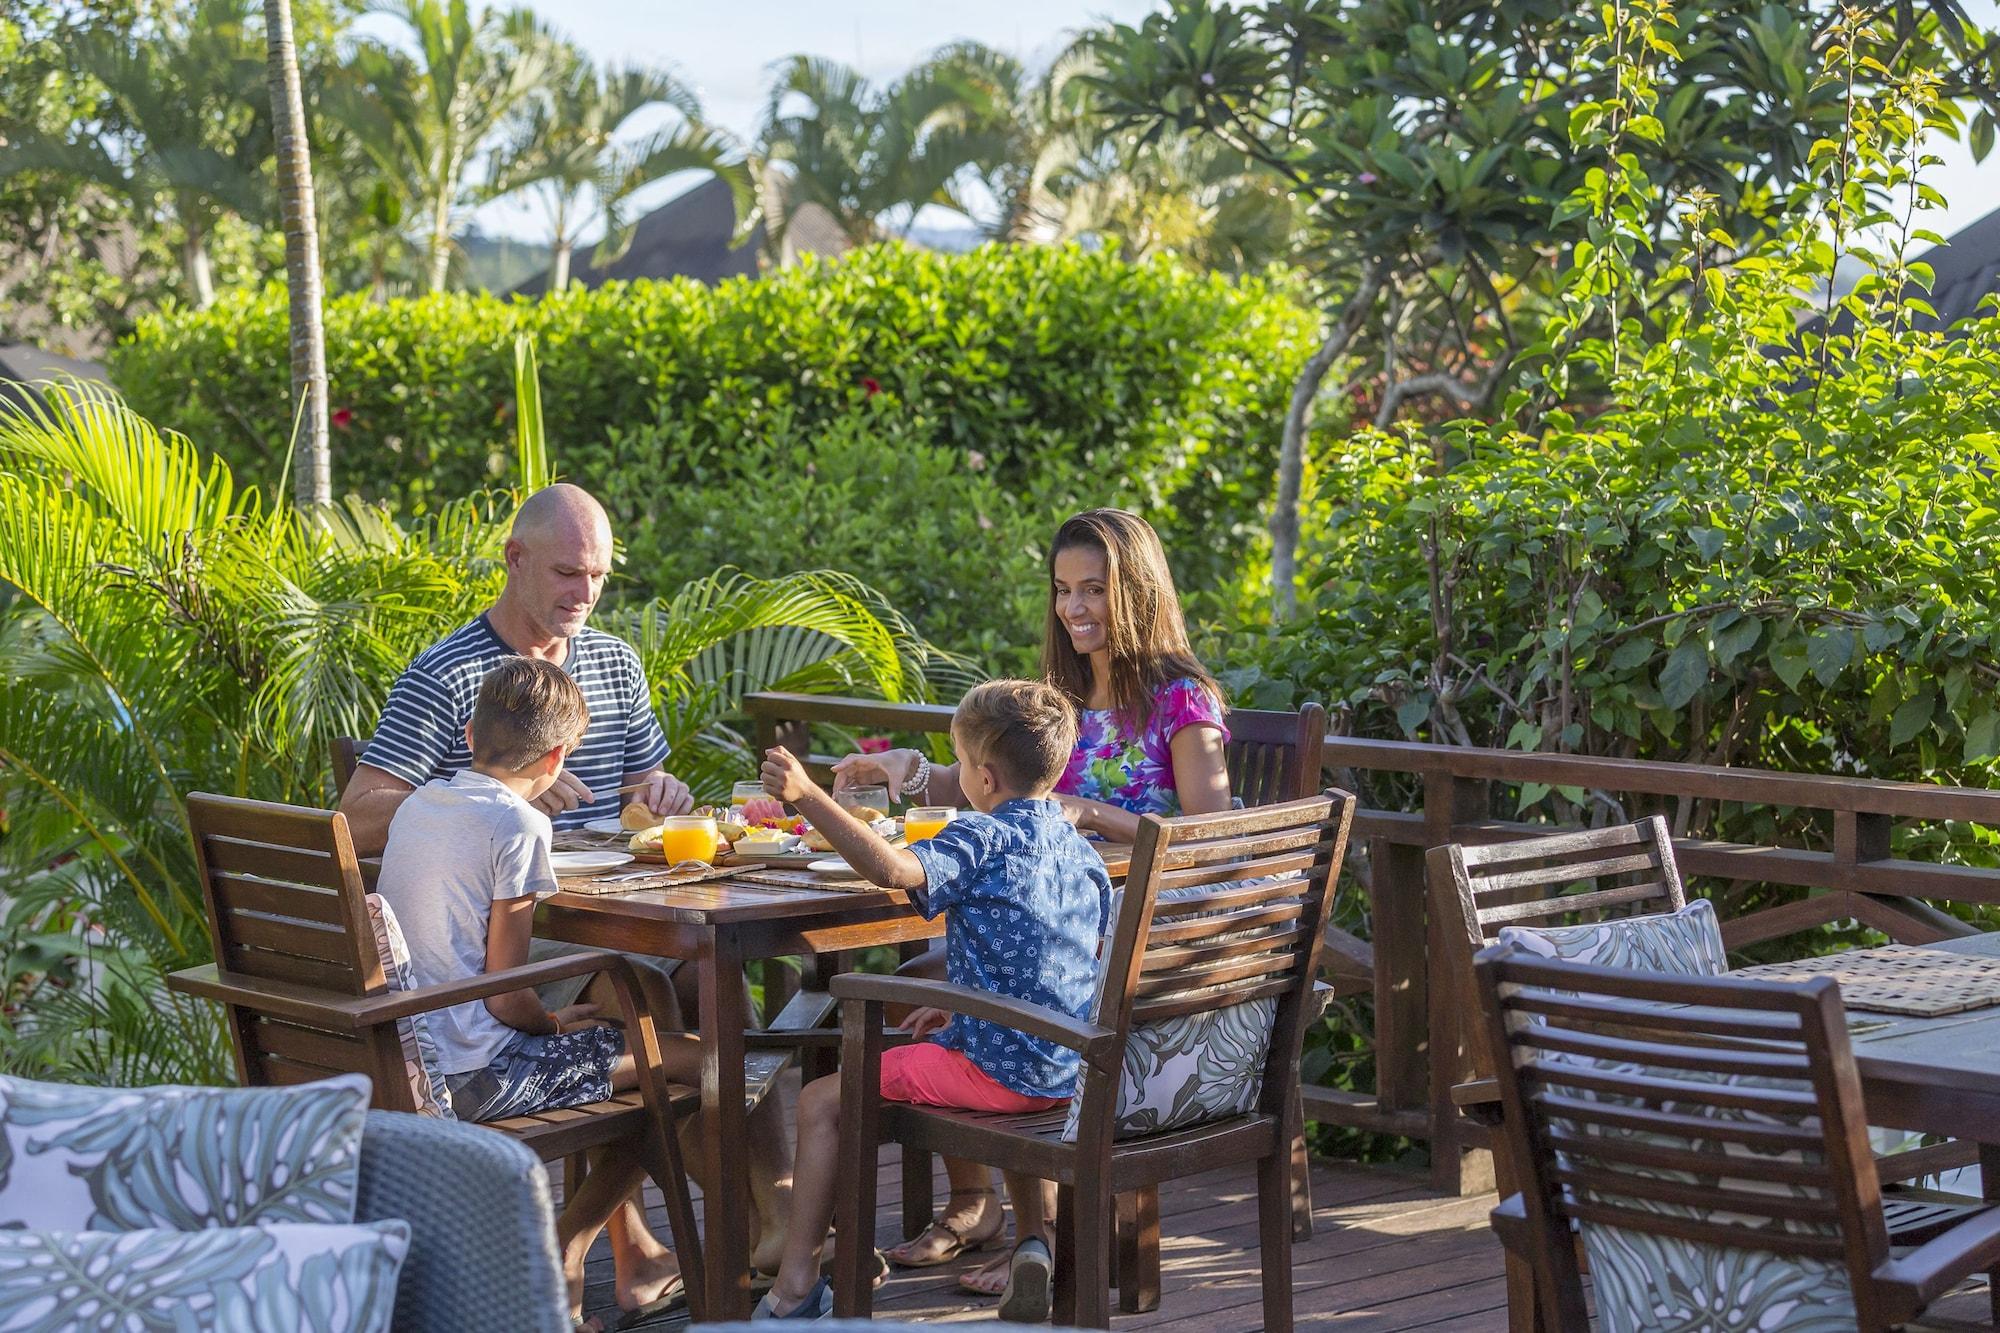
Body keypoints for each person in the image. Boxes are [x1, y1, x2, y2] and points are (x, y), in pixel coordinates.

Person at [340, 482, 791, 1271]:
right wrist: (499, 784)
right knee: (663, 1004)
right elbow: (358, 811)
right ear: (515, 561)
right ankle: (754, 1228)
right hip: (513, 942)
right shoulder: (450, 676)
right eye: (567, 573)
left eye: (600, 576)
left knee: (706, 988)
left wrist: (662, 792)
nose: (586, 593)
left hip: (612, 909)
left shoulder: (613, 664)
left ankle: (731, 1230)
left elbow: (644, 786)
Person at [829, 506, 1232, 1295]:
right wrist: (911, 772)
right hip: (1072, 930)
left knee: (958, 983)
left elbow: (1210, 837)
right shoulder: (1064, 696)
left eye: (1094, 590)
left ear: (1138, 592)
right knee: (934, 967)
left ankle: (1035, 1235)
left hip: (1144, 943)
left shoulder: (1183, 701)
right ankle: (983, 1209)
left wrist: (1094, 814)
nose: (1074, 609)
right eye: (1062, 590)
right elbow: (997, 788)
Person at [751, 680, 1112, 1322]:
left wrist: (806, 796)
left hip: (1000, 1073)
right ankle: (1034, 1240)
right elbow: (1047, 953)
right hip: (1071, 1069)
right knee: (935, 1040)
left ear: (986, 777)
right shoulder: (1076, 845)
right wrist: (964, 1003)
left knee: (820, 1102)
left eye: (959, 764)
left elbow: (893, 870)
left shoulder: (979, 837)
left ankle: (796, 1282)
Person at [374, 658, 692, 1331]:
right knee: (697, 1068)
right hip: (477, 1074)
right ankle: (562, 1251)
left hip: (412, 1055)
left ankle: (576, 1253)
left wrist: (551, 1017)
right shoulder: (519, 826)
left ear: (468, 732)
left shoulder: (417, 803)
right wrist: (551, 1023)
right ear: (557, 757)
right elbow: (505, 994)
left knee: (651, 1019)